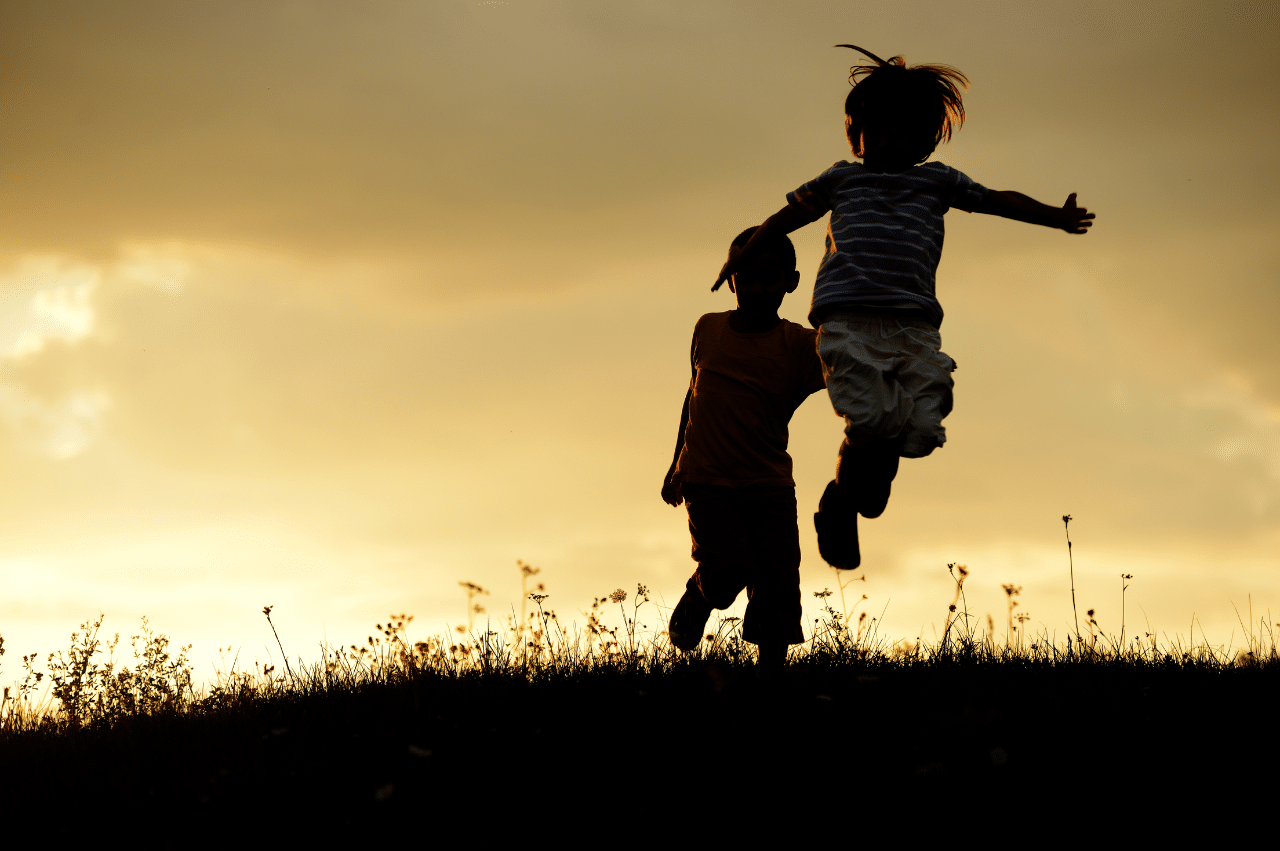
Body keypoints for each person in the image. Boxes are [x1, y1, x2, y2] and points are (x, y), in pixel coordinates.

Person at [714, 44, 1095, 570]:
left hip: (914, 325)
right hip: (849, 320)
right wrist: (744, 255)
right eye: (879, 132)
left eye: (905, 134)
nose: (890, 144)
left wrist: (1054, 216)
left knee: (920, 425)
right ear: (858, 133)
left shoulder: (936, 181)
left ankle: (864, 486)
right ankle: (840, 504)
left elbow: (996, 199)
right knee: (871, 421)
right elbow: (783, 219)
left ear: (925, 141)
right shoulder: (842, 179)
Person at [662, 227, 827, 667]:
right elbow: (694, 395)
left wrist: (909, 360)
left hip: (769, 484)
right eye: (746, 278)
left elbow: (852, 364)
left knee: (776, 582)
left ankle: (771, 681)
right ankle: (701, 595)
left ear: (790, 282)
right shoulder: (708, 328)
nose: (756, 288)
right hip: (707, 479)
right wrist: (675, 461)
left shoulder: (799, 347)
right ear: (730, 277)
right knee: (728, 566)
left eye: (768, 279)